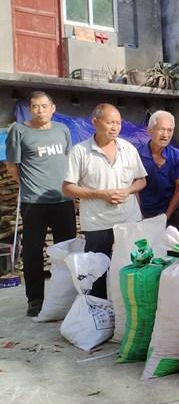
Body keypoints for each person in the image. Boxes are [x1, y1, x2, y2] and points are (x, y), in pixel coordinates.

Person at [63, 103, 147, 299]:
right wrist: (101, 194)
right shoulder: (80, 151)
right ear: (95, 122)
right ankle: (99, 313)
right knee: (97, 272)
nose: (115, 127)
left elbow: (142, 180)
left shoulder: (128, 149)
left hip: (128, 220)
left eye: (118, 123)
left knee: (131, 266)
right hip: (97, 222)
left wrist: (127, 190)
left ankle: (127, 309)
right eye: (110, 122)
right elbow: (67, 188)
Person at [4, 91, 76, 316]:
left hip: (63, 200)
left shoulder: (62, 130)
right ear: (30, 109)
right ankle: (35, 299)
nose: (40, 110)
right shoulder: (19, 131)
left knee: (68, 249)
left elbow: (67, 159)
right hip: (33, 202)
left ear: (53, 108)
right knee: (33, 251)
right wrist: (31, 186)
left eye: (44, 106)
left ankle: (69, 295)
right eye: (35, 106)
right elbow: (12, 167)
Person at [136, 110, 179, 233]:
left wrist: (166, 216)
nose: (165, 135)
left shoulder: (178, 156)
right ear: (150, 130)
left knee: (175, 249)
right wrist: (139, 214)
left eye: (169, 130)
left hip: (173, 213)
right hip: (146, 212)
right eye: (161, 129)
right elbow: (135, 188)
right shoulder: (137, 154)